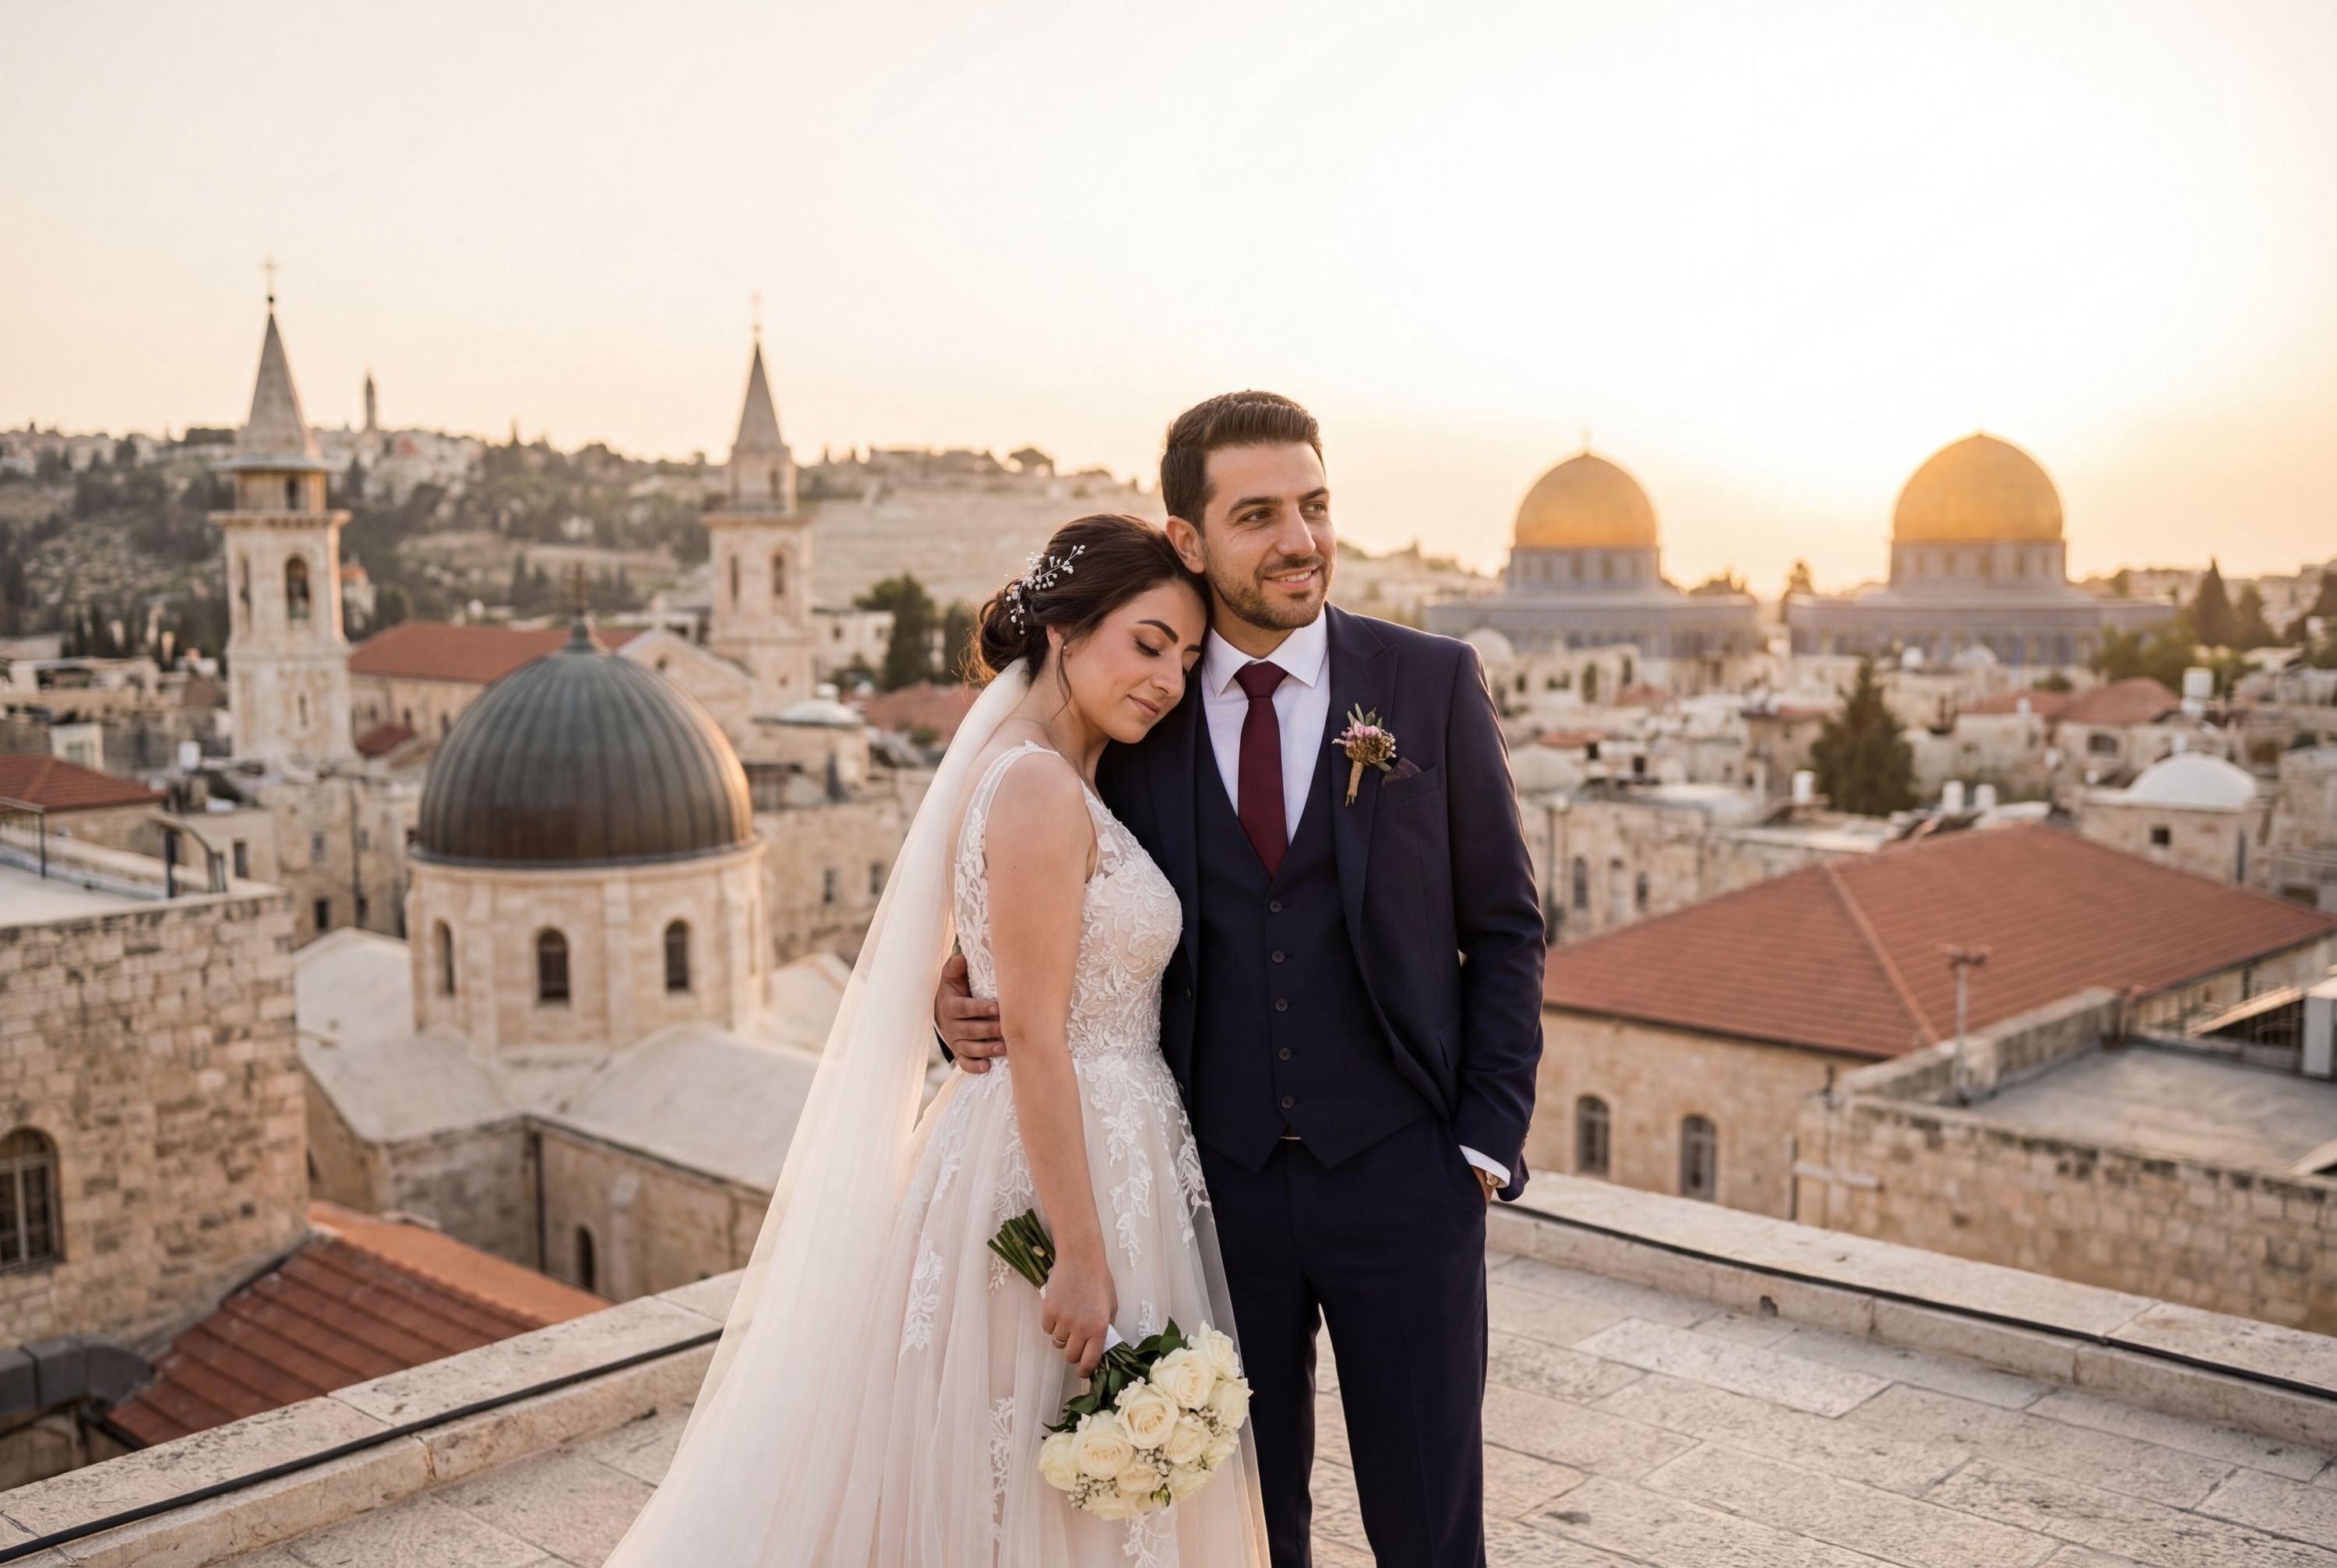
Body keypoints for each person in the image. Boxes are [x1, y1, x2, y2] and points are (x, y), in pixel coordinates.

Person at [940, 391, 1546, 1567]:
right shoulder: (1139, 706)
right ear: (1189, 540)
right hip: (1210, 1203)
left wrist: (1480, 1147)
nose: (1301, 540)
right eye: (1260, 513)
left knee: (1432, 1530)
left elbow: (1509, 928)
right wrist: (947, 994)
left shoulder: (1428, 683)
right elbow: (1027, 887)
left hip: (1405, 1187)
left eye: (1315, 506)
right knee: (1247, 1531)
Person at [602, 513, 1269, 1566]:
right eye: (1147, 644)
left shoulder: (1046, 767)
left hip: (1084, 1148)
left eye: (1186, 659)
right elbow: (1040, 1038)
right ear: (1065, 629)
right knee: (1037, 1463)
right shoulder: (1042, 786)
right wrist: (1084, 1257)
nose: (1169, 680)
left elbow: (1013, 971)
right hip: (1059, 1168)